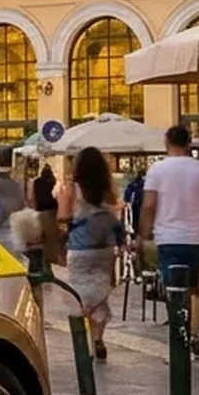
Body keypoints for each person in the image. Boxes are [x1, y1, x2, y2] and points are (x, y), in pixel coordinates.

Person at [138, 125, 199, 357]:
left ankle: (178, 338)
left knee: (173, 288)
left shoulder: (157, 170)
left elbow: (149, 205)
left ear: (167, 142)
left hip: (168, 238)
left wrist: (143, 234)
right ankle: (193, 333)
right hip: (196, 237)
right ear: (189, 142)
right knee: (195, 289)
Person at [59, 147, 122, 362]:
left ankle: (83, 344)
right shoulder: (107, 191)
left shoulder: (71, 188)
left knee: (81, 298)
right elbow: (115, 215)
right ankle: (98, 339)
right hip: (104, 250)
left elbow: (63, 217)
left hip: (79, 250)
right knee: (99, 294)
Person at [32, 164, 63, 268]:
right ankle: (51, 259)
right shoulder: (53, 181)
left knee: (41, 238)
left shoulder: (37, 182)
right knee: (51, 238)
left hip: (40, 211)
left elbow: (34, 196)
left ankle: (43, 260)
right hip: (52, 211)